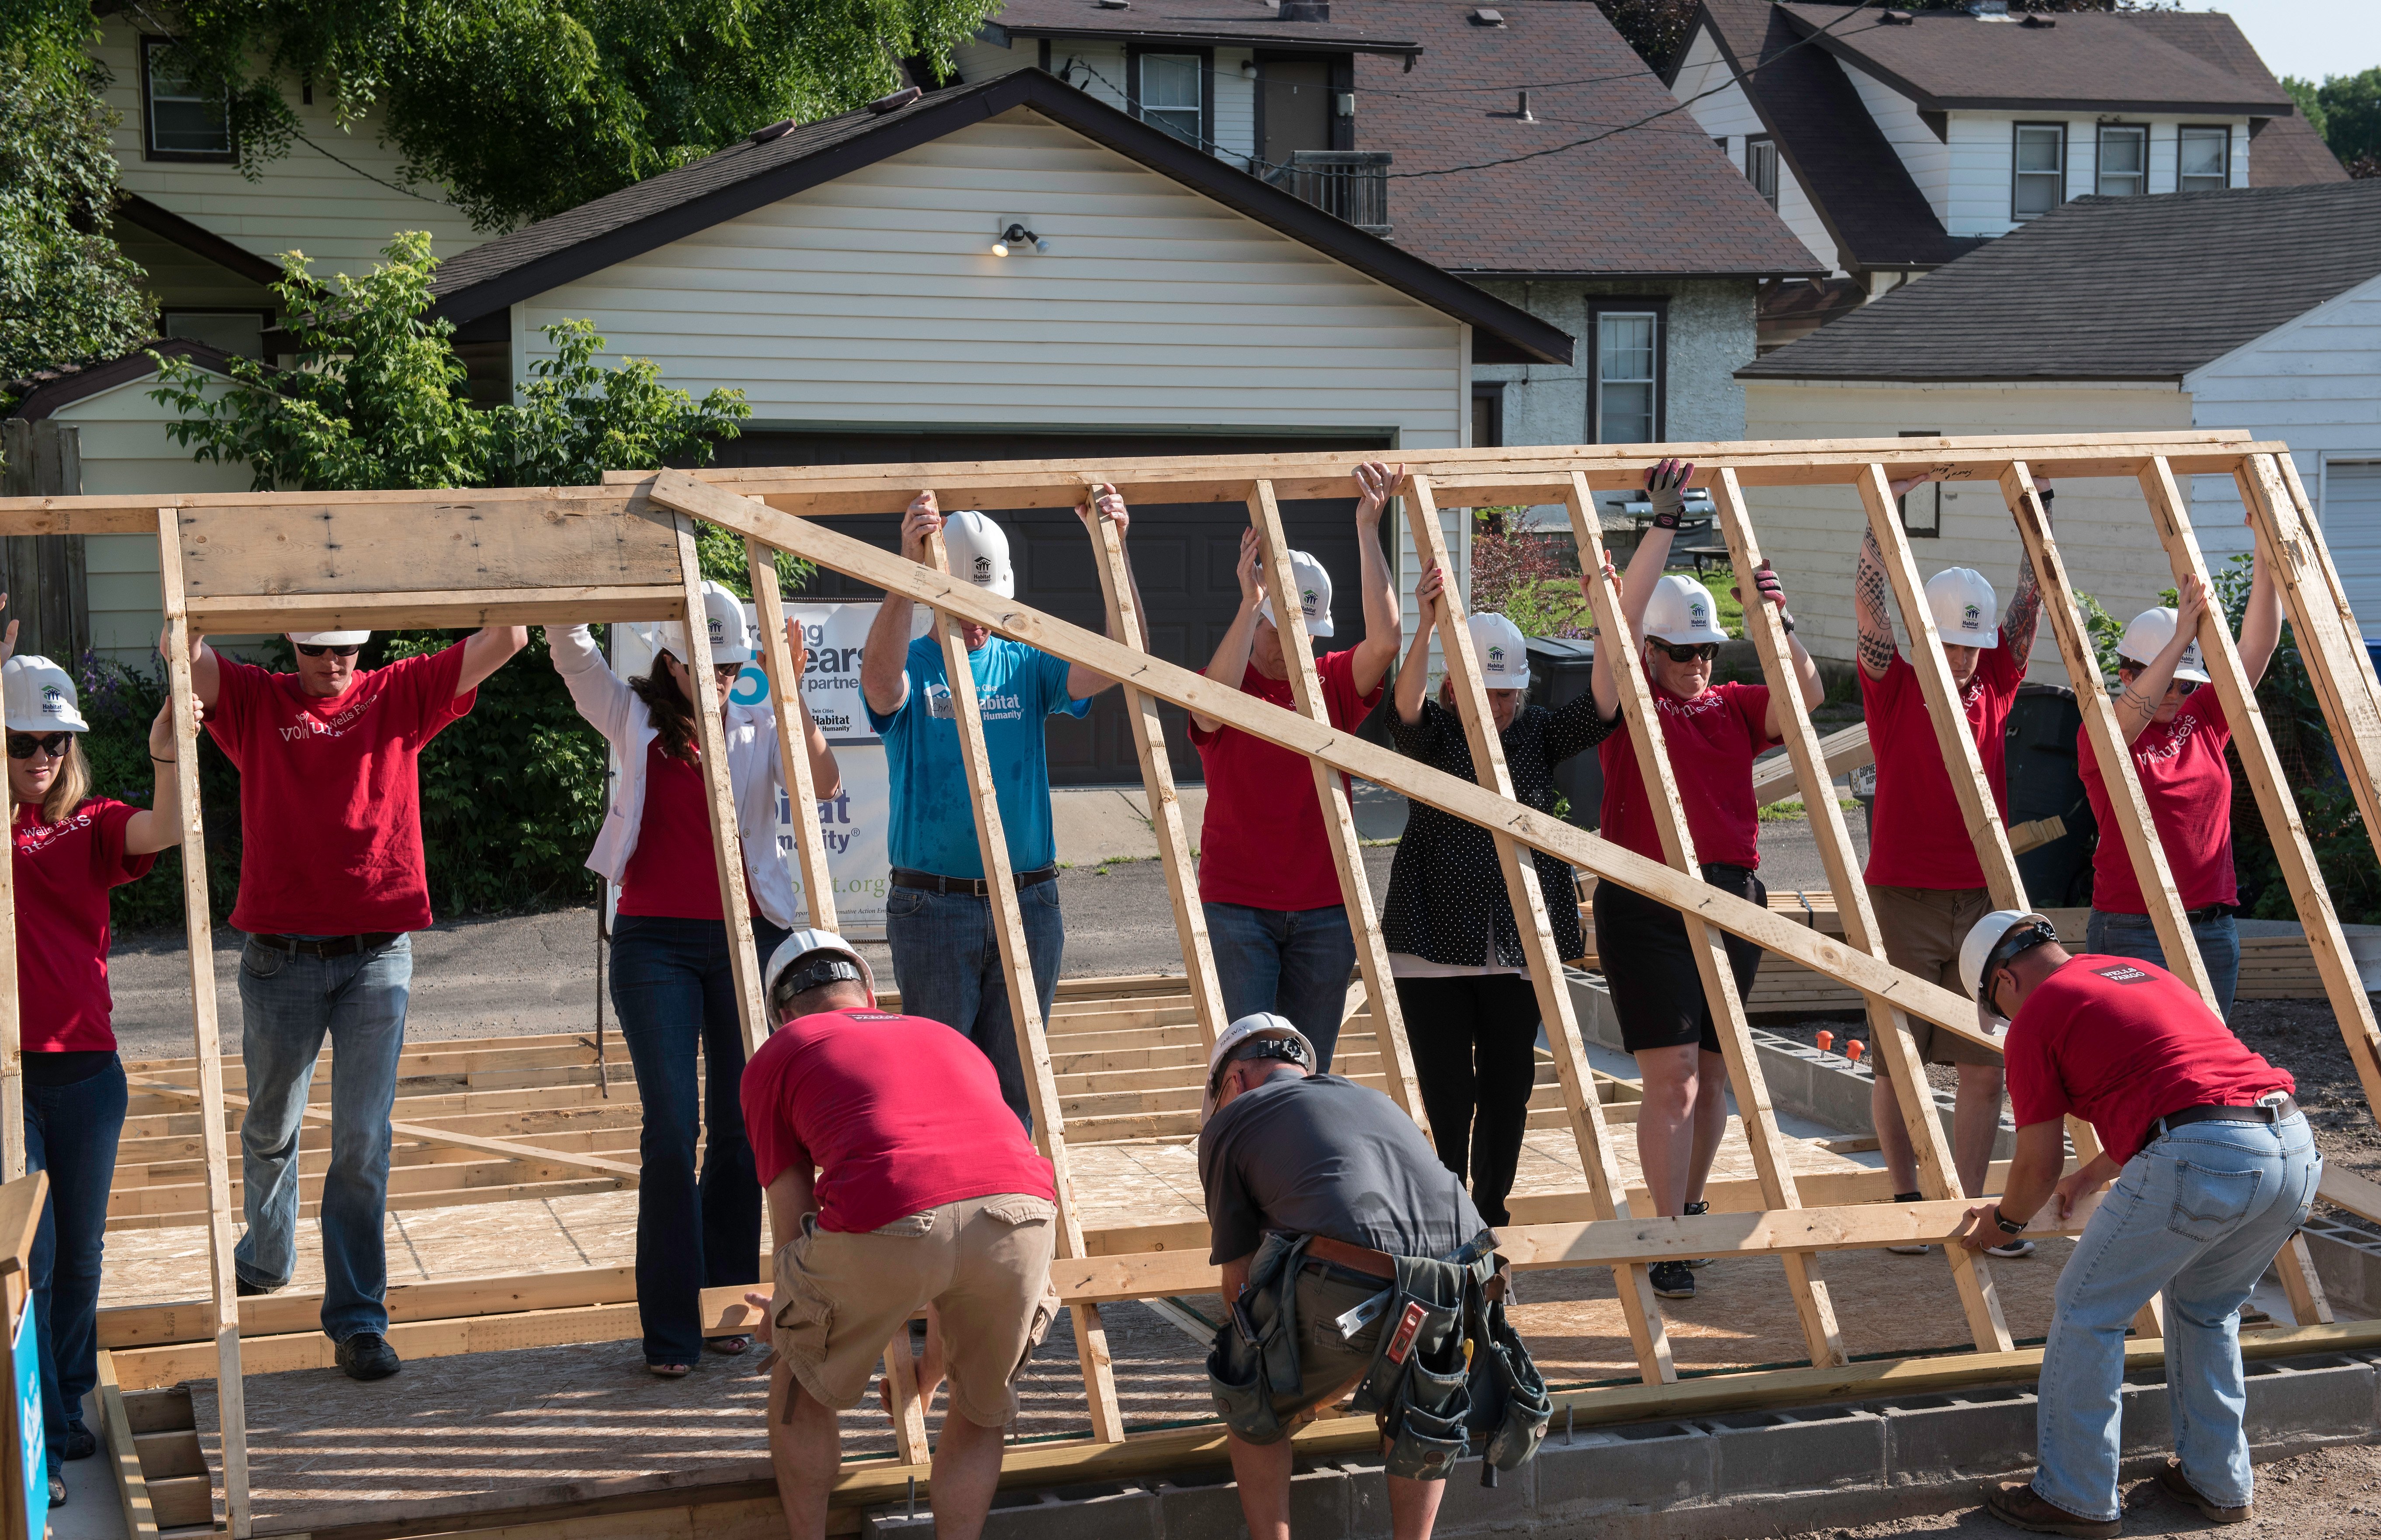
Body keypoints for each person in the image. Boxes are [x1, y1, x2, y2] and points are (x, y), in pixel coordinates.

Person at [186, 619, 527, 1380]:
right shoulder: (256, 701)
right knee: (273, 1123)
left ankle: (358, 1320)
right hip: (281, 956)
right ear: (291, 648)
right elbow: (190, 654)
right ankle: (268, 1254)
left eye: (347, 650)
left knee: (362, 1144)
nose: (334, 665)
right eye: (317, 651)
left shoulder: (397, 693)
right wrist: (202, 601)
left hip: (376, 955)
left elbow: (506, 637)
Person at [550, 582, 841, 1377]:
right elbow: (570, 647)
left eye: (732, 666)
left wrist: (794, 690)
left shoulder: (755, 717)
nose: (719, 680)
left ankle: (723, 1309)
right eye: (705, 666)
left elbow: (822, 784)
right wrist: (571, 571)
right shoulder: (631, 714)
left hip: (748, 942)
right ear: (670, 661)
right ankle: (671, 1330)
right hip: (655, 948)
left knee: (744, 1131)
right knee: (672, 1130)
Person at [1952, 910, 2315, 1538]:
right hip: (2290, 1146)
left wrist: (2003, 1223)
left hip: (2202, 1153)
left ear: (2005, 981)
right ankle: (2218, 1481)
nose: (2006, 1019)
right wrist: (2094, 1174)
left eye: (1998, 1007)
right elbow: (2180, 1078)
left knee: (2087, 1308)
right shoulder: (2139, 973)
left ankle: (2075, 1494)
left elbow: (2037, 1163)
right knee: (2206, 1309)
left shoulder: (2038, 1014)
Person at [1585, 458, 1823, 1303]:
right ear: (1650, 649)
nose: (1693, 663)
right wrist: (1662, 524)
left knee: (1717, 1072)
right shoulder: (1629, 708)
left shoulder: (1727, 704)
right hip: (1646, 898)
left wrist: (1776, 615)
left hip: (1731, 897)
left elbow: (1808, 693)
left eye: (1704, 650)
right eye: (1678, 650)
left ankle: (1687, 1202)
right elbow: (1611, 632)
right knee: (1673, 1073)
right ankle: (1666, 1233)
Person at [741, 929, 1060, 1540]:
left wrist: (790, 1306)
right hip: (1023, 1210)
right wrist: (928, 1372)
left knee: (799, 1378)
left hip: (889, 1207)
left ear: (781, 1013)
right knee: (979, 1408)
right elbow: (960, 1225)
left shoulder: (780, 1053)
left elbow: (791, 1211)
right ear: (867, 991)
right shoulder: (945, 1037)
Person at [1200, 1014, 1547, 1540]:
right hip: (1465, 1285)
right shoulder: (1375, 1101)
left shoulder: (1234, 1118)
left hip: (1360, 1288)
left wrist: (1293, 1371)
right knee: (1420, 1397)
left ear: (1235, 1080)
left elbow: (1239, 1284)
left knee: (1247, 1389)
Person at [858, 489, 1139, 1129]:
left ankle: (1007, 1225)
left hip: (1027, 904)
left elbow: (1121, 662)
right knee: (937, 1092)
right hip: (934, 909)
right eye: (964, 600)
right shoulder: (916, 662)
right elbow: (878, 685)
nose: (980, 619)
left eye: (990, 603)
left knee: (1016, 1097)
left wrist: (1113, 552)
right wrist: (906, 574)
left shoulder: (1024, 661)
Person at [5, 638, 183, 1507]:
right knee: (26, 1260)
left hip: (86, 1075)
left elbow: (170, 827)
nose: (41, 758)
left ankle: (67, 1410)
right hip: (10, 1078)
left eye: (53, 742)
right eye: (21, 743)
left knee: (78, 1254)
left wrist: (167, 746)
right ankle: (28, 1424)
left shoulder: (93, 821)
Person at [1377, 570, 1611, 1225]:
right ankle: (1449, 1210)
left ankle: (1490, 1210)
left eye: (1509, 693)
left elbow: (1601, 707)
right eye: (1488, 693)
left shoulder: (1535, 731)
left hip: (1516, 941)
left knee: (1508, 1089)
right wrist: (1424, 627)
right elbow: (1402, 709)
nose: (1501, 707)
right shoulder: (1435, 736)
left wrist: (1601, 620)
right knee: (1449, 1093)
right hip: (1431, 942)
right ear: (1454, 685)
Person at [1854, 473, 2046, 1257]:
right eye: (1952, 642)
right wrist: (1883, 507)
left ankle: (1967, 1211)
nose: (1966, 656)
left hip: (1982, 894)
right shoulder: (1895, 685)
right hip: (1902, 891)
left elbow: (2031, 611)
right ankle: (1908, 1202)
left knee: (1984, 1065)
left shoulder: (1996, 682)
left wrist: (2031, 512)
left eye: (1975, 642)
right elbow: (1872, 608)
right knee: (1899, 1061)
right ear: (1928, 639)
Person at [1187, 462, 1404, 1067]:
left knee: (1308, 1070)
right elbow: (1206, 714)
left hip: (1324, 908)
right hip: (1239, 907)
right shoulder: (1230, 681)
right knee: (1248, 1070)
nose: (1295, 645)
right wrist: (1249, 601)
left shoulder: (1331, 680)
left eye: (1307, 634)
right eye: (1282, 629)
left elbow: (1386, 641)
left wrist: (1367, 530)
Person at [2078, 541, 2280, 1020]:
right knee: (2131, 1065)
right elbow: (2120, 726)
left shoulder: (2203, 715)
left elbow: (2256, 648)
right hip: (2132, 924)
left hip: (2210, 928)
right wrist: (2178, 640)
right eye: (2165, 680)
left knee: (2206, 1067)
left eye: (2185, 682)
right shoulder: (2106, 731)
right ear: (2126, 674)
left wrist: (2265, 555)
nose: (2175, 694)